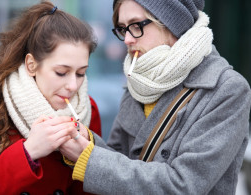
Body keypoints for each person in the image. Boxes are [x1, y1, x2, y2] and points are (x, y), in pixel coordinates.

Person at [59, 0, 251, 194]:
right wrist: (86, 143)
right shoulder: (142, 80)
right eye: (122, 29)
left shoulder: (227, 89)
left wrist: (91, 159)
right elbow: (120, 158)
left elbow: (184, 185)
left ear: (171, 23)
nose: (127, 39)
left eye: (135, 26)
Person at [0, 1, 101, 194]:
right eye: (61, 72)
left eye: (81, 73)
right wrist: (29, 151)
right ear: (31, 65)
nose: (73, 85)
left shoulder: (88, 110)